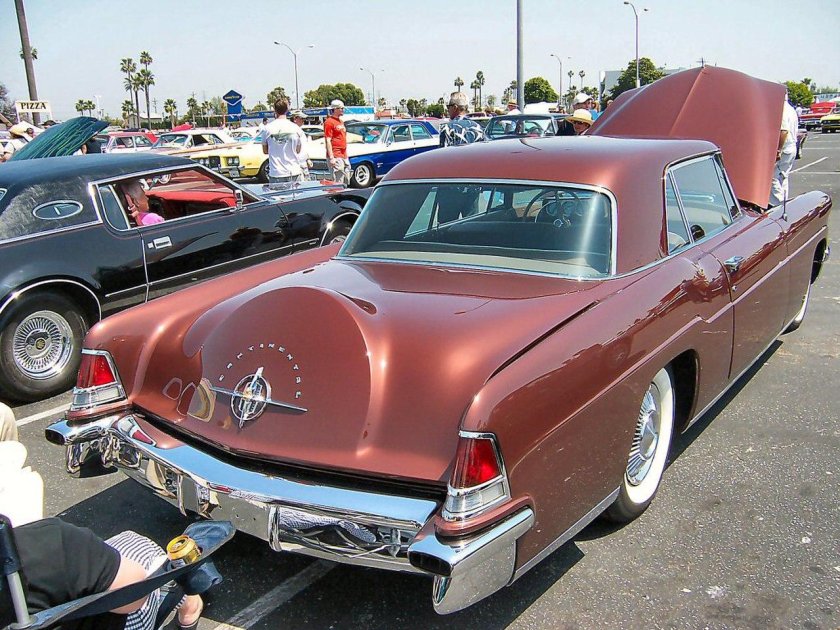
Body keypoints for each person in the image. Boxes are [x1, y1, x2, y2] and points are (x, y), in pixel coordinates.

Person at [0, 517, 204, 630]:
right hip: (114, 618)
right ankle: (188, 603)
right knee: (139, 548)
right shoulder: (47, 541)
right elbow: (131, 597)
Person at [261, 99, 304, 184]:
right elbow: (298, 150)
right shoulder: (295, 128)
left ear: (274, 110)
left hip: (276, 173)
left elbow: (265, 151)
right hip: (294, 171)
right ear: (287, 110)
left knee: (277, 196)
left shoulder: (267, 129)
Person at [769, 96, 799, 207]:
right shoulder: (791, 109)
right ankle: (785, 203)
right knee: (783, 177)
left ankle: (779, 205)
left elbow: (783, 131)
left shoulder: (781, 109)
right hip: (791, 146)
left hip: (785, 147)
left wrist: (778, 149)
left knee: (772, 178)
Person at [323, 99, 350, 185]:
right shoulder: (329, 122)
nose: (343, 110)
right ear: (335, 109)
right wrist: (331, 157)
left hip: (343, 154)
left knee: (346, 177)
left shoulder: (341, 121)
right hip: (336, 154)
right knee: (338, 180)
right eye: (341, 108)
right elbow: (328, 140)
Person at [290, 110, 312, 180]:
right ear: (295, 119)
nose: (303, 120)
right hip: (297, 164)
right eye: (301, 118)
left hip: (303, 162)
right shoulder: (292, 131)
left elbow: (304, 147)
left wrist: (307, 158)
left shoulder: (300, 131)